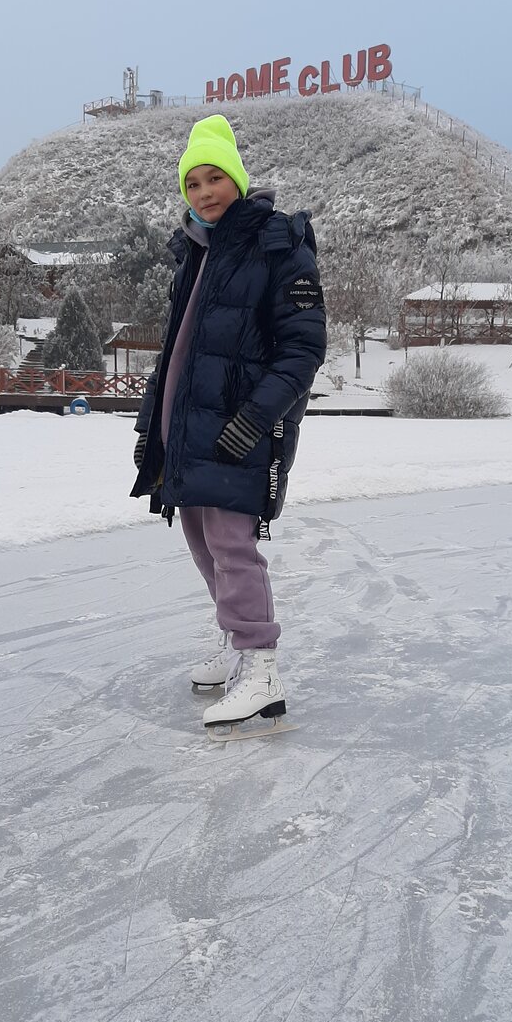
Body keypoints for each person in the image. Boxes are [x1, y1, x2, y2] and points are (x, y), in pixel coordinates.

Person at [130, 114, 326, 738]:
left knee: (232, 545)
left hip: (241, 429)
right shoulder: (195, 252)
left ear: (237, 180)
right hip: (188, 430)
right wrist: (151, 428)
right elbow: (175, 353)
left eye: (214, 178)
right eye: (192, 183)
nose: (204, 192)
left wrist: (255, 419)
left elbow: (303, 349)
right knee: (201, 540)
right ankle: (238, 642)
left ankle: (262, 670)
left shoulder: (277, 243)